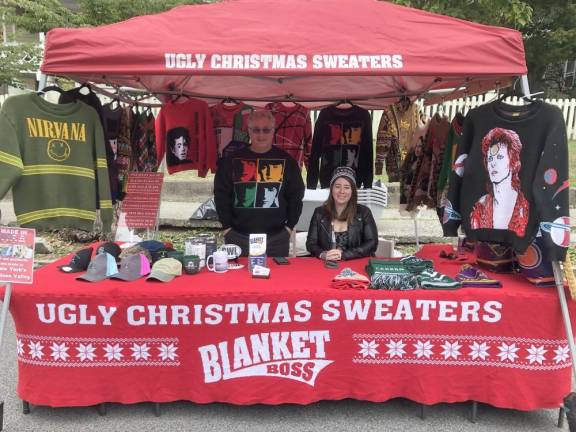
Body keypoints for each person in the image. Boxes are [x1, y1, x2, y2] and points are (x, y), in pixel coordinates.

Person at [214, 109, 305, 257]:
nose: (261, 135)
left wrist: (289, 227)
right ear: (248, 130)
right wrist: (227, 228)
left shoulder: (288, 162)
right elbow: (221, 194)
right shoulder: (230, 161)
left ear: (273, 130)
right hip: (238, 237)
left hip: (276, 238)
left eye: (266, 130)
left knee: (277, 280)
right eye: (256, 129)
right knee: (236, 280)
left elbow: (296, 196)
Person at [306, 166, 378, 260]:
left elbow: (372, 243)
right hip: (327, 266)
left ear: (353, 191)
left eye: (347, 187)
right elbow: (311, 243)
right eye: (337, 186)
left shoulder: (364, 212)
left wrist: (344, 255)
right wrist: (322, 254)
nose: (342, 191)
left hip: (357, 266)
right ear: (331, 189)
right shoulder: (319, 213)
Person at [470, 128, 529, 237]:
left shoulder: (524, 207)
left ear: (513, 161)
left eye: (500, 157)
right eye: (490, 159)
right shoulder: (481, 206)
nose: (493, 164)